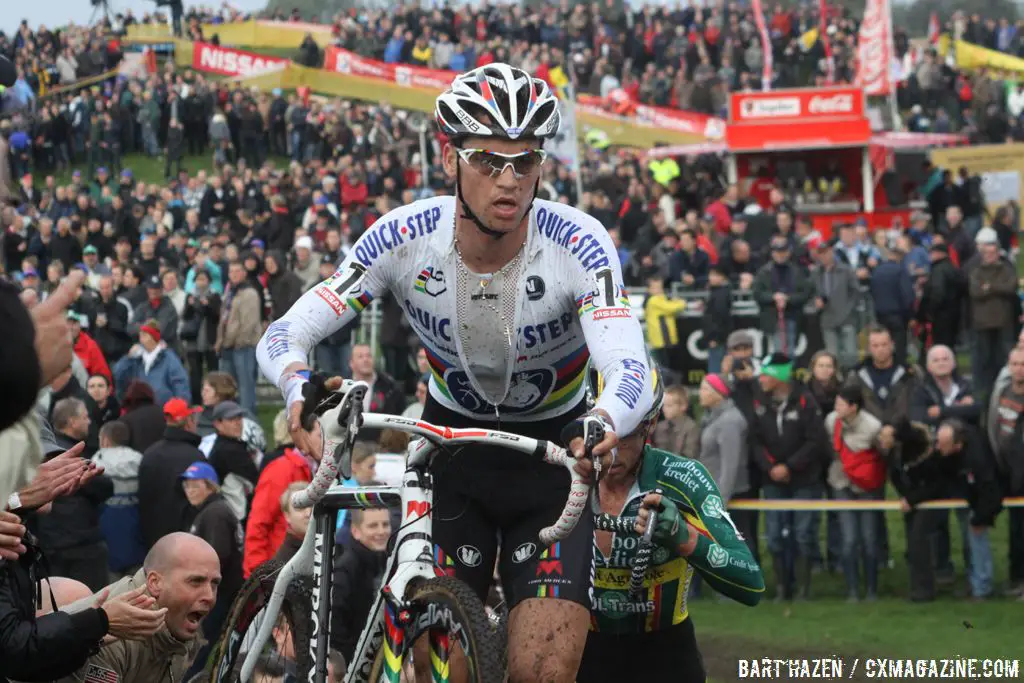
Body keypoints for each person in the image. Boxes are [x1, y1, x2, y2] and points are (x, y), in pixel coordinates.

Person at [257, 63, 654, 683]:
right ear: (450, 159)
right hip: (450, 452)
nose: (510, 180)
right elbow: (285, 331)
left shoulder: (578, 241)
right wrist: (297, 387)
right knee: (443, 673)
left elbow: (630, 363)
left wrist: (604, 417)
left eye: (525, 163)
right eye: (490, 161)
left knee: (541, 674)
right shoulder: (405, 236)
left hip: (551, 454)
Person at [578, 371, 762, 683]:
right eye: (599, 433)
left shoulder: (683, 477)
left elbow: (750, 581)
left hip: (665, 653)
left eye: (624, 435)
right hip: (582, 646)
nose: (609, 448)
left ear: (649, 425)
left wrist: (685, 538)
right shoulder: (561, 475)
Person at [54, 532, 220, 683]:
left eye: (214, 583)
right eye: (196, 581)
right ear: (155, 583)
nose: (210, 596)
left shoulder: (177, 622)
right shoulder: (110, 634)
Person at [752, 353, 829, 601]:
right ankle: (783, 588)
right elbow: (754, 441)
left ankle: (803, 591)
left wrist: (790, 466)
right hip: (773, 481)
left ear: (779, 376)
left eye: (765, 374)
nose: (761, 379)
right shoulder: (760, 403)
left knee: (804, 534)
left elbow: (816, 441)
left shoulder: (806, 401)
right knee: (774, 536)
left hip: (805, 481)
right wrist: (772, 467)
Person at [31, 399, 113, 592]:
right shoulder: (69, 455)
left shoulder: (65, 450)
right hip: (77, 547)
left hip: (57, 546)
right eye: (85, 417)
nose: (89, 421)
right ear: (72, 421)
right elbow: (105, 486)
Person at [180, 461, 243, 679]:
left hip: (217, 596)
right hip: (214, 594)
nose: (189, 491)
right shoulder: (211, 510)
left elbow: (218, 556)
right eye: (186, 486)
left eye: (195, 485)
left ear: (210, 486)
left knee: (200, 647)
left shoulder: (215, 513)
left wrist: (197, 586)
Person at [825, 386, 885, 602]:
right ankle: (852, 590)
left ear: (853, 407)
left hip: (867, 487)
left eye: (841, 404)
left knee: (869, 538)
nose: (836, 407)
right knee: (849, 538)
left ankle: (871, 589)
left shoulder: (872, 426)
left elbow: (882, 457)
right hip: (840, 483)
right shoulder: (832, 421)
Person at [243, 423, 316, 577]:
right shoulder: (281, 470)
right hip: (277, 574)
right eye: (321, 436)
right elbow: (258, 525)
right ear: (305, 436)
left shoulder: (320, 469)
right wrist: (259, 578)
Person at [329, 508, 391, 672]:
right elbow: (336, 630)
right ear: (355, 531)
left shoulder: (387, 561)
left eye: (385, 524)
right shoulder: (345, 571)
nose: (381, 531)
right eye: (372, 526)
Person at [138, 398, 204, 550]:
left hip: (155, 542)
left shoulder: (149, 454)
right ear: (188, 421)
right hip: (188, 541)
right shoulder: (196, 457)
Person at [92, 420, 146, 579]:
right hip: (135, 528)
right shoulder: (139, 459)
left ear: (105, 440)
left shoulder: (97, 461)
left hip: (106, 528)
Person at [217, 261, 263, 414]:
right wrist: (221, 341)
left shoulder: (249, 293)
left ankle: (247, 417)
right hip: (228, 345)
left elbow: (248, 324)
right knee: (226, 385)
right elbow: (224, 318)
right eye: (231, 271)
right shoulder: (230, 291)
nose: (234, 274)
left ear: (244, 273)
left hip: (243, 346)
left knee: (245, 386)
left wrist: (235, 342)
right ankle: (228, 415)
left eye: (238, 271)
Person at [112, 320, 190, 407]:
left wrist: (181, 407)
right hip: (139, 409)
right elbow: (117, 374)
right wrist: (128, 358)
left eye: (145, 335)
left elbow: (180, 384)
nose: (141, 338)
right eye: (140, 334)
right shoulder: (136, 358)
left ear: (154, 337)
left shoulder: (168, 358)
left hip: (163, 411)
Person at [206, 401, 259, 523]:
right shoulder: (230, 451)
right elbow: (257, 481)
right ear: (217, 424)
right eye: (231, 419)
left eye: (239, 418)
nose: (238, 423)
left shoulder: (226, 446)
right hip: (237, 517)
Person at [812, 240, 859, 371]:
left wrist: (848, 310)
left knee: (850, 354)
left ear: (831, 252)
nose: (824, 256)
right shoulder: (816, 273)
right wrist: (815, 301)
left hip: (846, 318)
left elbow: (855, 292)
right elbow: (810, 292)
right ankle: (835, 383)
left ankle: (851, 382)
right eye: (820, 254)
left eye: (826, 253)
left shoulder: (846, 270)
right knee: (832, 356)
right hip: (828, 318)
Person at [649, 384, 699, 459]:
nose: (664, 409)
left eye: (669, 405)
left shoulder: (691, 428)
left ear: (683, 406)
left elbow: (690, 455)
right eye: (664, 405)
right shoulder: (659, 427)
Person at [272, 481, 313, 564]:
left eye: (312, 505)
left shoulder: (332, 547)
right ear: (287, 516)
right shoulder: (282, 562)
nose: (308, 513)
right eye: (300, 508)